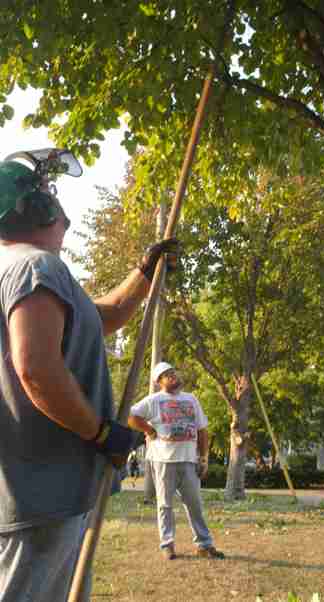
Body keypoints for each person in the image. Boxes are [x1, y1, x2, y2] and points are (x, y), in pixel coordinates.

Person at [0, 148, 178, 601]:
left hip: (33, 493)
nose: (64, 215)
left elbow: (102, 315)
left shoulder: (19, 271)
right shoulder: (35, 267)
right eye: (51, 197)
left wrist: (144, 273)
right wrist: (101, 434)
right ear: (37, 209)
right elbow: (37, 370)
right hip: (43, 496)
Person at [129, 361, 225, 560]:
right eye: (167, 374)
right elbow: (131, 416)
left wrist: (204, 458)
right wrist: (149, 430)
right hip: (163, 461)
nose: (173, 376)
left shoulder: (191, 399)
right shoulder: (154, 400)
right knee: (165, 505)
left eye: (173, 372)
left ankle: (204, 545)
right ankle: (167, 544)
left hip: (189, 461)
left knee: (195, 504)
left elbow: (202, 429)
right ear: (159, 382)